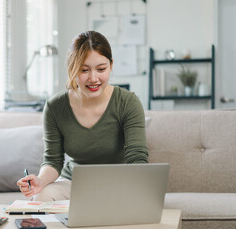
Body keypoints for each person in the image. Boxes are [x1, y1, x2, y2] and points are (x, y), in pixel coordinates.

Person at [17, 30, 148, 201]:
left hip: (117, 183)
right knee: (42, 196)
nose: (93, 78)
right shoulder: (55, 106)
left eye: (101, 69)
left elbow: (137, 157)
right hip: (73, 183)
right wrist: (40, 181)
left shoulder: (127, 102)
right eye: (84, 70)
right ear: (72, 68)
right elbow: (53, 160)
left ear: (111, 65)